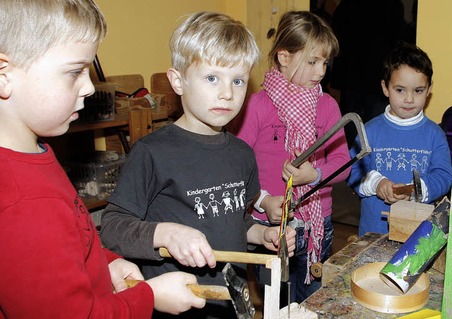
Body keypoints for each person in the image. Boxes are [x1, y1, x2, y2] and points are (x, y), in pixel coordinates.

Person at [0, 0, 206, 317]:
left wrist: (107, 262)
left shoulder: (34, 152)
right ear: (4, 74)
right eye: (74, 71)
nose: (87, 86)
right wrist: (149, 297)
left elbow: (72, 242)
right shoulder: (24, 200)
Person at [98, 12, 295, 318]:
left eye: (238, 80)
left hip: (230, 303)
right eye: (212, 78)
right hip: (176, 306)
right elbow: (112, 229)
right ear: (178, 81)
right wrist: (166, 234)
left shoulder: (242, 153)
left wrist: (259, 234)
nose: (227, 93)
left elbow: (230, 220)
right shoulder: (151, 152)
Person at [231, 11, 350, 302]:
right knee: (277, 301)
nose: (321, 71)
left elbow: (344, 164)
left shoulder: (328, 107)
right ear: (284, 57)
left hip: (318, 222)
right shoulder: (256, 106)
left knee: (312, 299)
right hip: (269, 227)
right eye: (312, 61)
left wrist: (316, 176)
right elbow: (235, 169)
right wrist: (261, 200)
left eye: (325, 62)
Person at [347, 42, 452, 236]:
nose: (409, 99)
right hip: (374, 233)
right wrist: (377, 183)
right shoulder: (369, 130)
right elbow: (351, 171)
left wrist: (416, 190)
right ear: (385, 88)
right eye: (400, 90)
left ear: (429, 89)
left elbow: (444, 177)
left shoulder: (435, 134)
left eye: (418, 90)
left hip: (418, 233)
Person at [331, 0, 414, 145]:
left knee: (351, 125)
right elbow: (398, 32)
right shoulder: (390, 4)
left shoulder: (348, 4)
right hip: (377, 76)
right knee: (377, 128)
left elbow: (337, 32)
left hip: (353, 75)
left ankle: (351, 162)